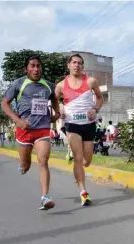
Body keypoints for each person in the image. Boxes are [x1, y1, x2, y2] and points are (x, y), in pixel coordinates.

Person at [1, 55, 60, 210]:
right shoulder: (18, 84)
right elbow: (4, 103)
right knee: (26, 165)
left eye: (38, 66)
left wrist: (57, 113)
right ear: (26, 68)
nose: (36, 69)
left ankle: (45, 196)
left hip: (42, 129)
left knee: (43, 161)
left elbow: (55, 97)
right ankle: (23, 165)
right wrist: (17, 120)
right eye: (32, 66)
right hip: (24, 130)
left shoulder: (48, 85)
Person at [55, 54, 103, 206]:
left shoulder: (91, 81)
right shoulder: (61, 85)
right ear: (68, 65)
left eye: (80, 63)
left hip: (88, 124)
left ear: (83, 66)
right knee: (78, 158)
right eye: (74, 62)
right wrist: (60, 110)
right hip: (72, 124)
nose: (77, 65)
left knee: (86, 161)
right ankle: (83, 191)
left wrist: (95, 109)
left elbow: (101, 98)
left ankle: (72, 150)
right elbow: (54, 102)